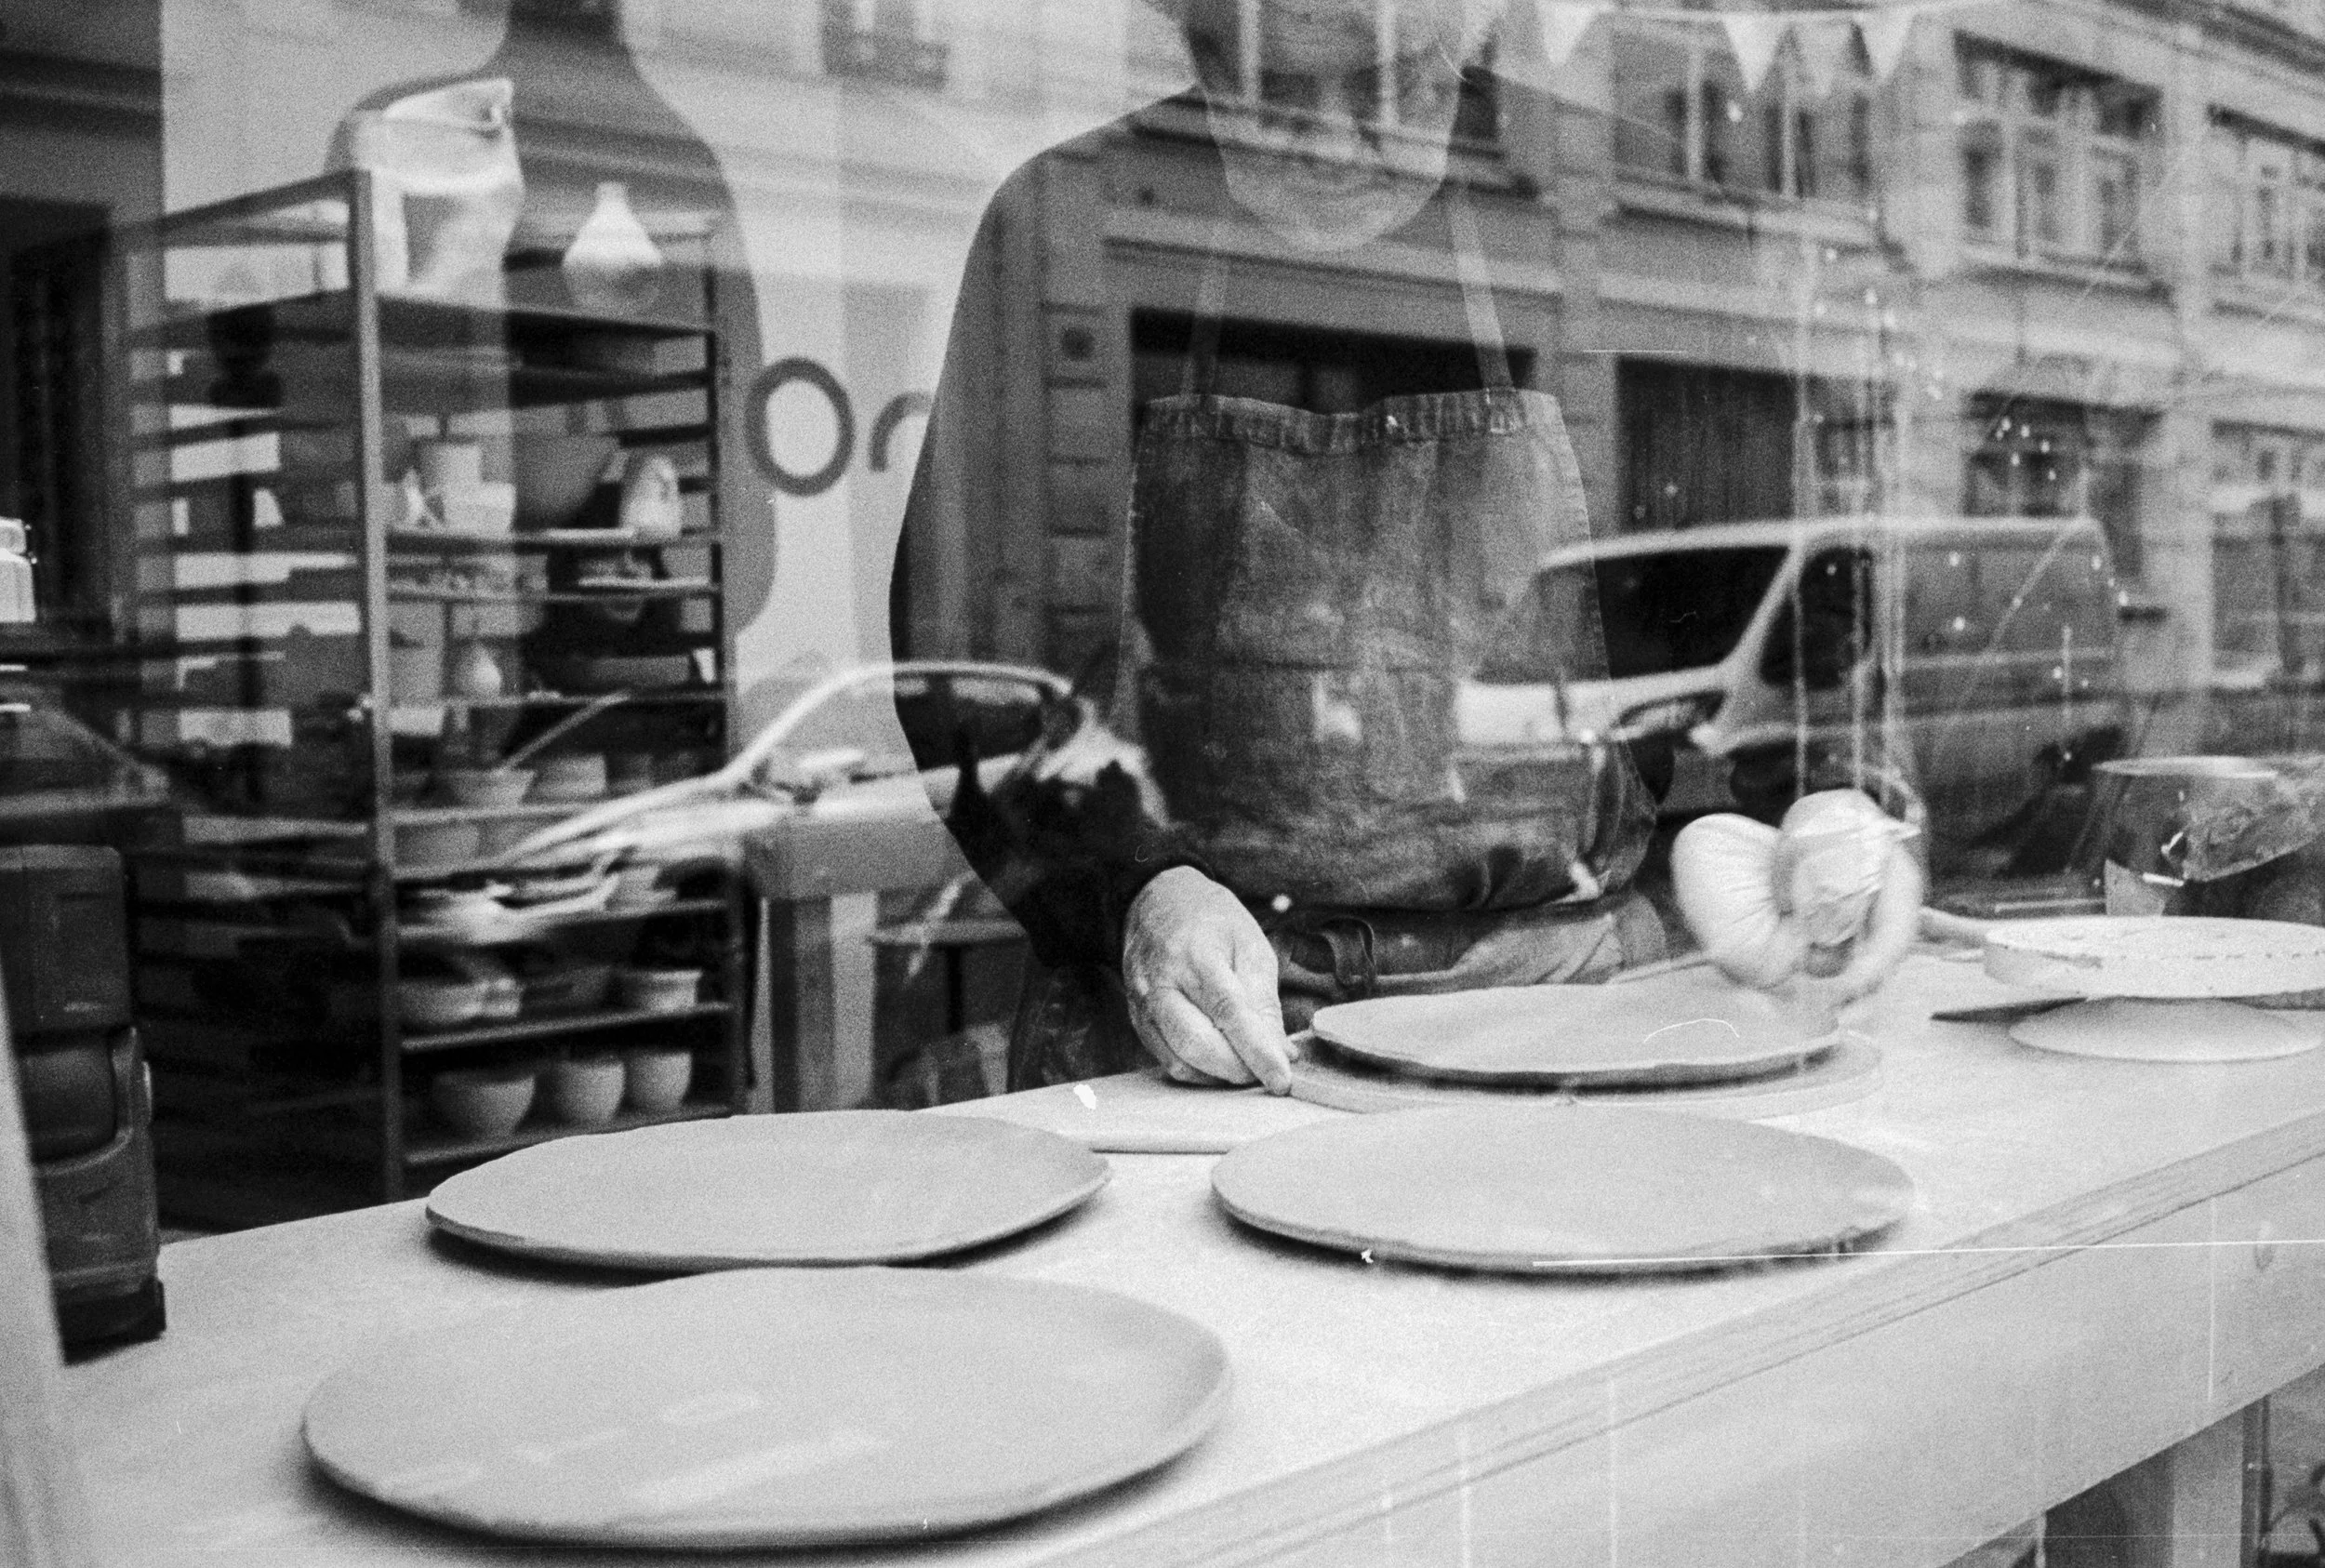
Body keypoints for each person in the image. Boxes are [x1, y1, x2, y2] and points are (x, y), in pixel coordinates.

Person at [898, 0, 1919, 1096]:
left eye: (1390, 89)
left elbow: (1773, 630)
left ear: (1470, 49)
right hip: (1213, 1040)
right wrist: (1129, 889)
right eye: (1280, 93)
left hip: (1560, 1019)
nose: (1336, 140)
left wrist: (1823, 806)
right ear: (1198, 46)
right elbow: (963, 688)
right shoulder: (1056, 207)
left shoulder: (1609, 232)